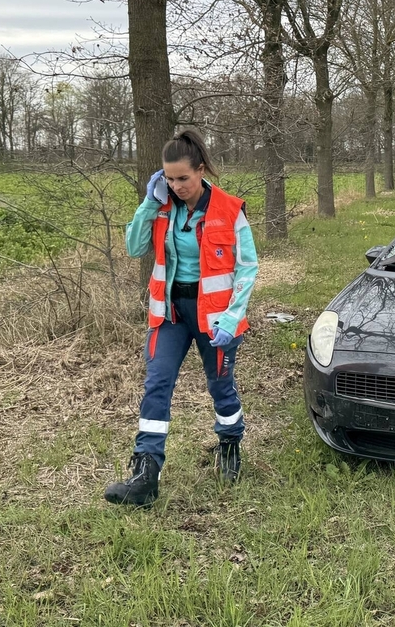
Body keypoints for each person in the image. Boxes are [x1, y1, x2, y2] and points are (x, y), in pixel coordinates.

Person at [106, 129, 259, 507]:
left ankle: (230, 444)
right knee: (156, 384)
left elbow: (247, 268)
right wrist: (146, 204)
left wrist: (231, 316)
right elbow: (134, 247)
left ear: (201, 170)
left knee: (220, 386)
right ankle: (146, 472)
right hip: (170, 312)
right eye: (168, 178)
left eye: (182, 178)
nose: (176, 186)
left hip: (215, 319)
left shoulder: (228, 209)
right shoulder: (160, 206)